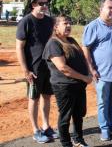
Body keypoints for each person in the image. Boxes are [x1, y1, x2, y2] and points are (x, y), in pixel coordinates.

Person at [82, 0, 112, 141]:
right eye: (110, 8)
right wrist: (91, 69)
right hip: (102, 74)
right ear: (101, 9)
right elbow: (86, 49)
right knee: (103, 102)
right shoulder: (93, 26)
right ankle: (105, 129)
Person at [42, 15, 92, 147]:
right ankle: (66, 143)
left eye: (70, 23)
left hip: (78, 85)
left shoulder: (71, 40)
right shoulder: (53, 43)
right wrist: (84, 77)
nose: (68, 25)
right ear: (56, 27)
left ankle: (78, 139)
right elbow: (63, 68)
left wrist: (88, 72)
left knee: (78, 114)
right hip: (64, 86)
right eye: (65, 23)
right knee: (65, 117)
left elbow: (82, 57)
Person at [16, 0, 58, 143]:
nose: (45, 6)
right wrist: (25, 70)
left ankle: (46, 126)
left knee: (47, 97)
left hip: (49, 67)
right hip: (33, 69)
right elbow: (19, 47)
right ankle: (36, 130)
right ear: (33, 4)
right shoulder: (26, 22)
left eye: (46, 3)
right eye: (41, 3)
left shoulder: (50, 21)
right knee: (34, 98)